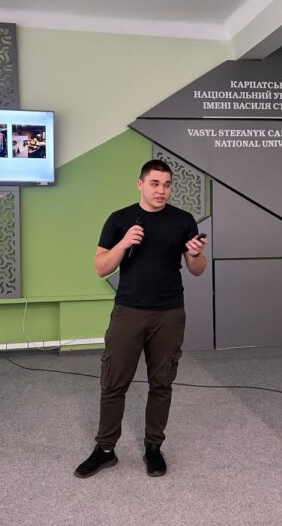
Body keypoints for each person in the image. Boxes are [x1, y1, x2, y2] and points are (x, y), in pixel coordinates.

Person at [74, 159, 207, 479]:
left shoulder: (183, 220)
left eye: (167, 185)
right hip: (129, 312)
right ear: (140, 184)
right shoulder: (119, 219)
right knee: (113, 383)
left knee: (162, 383)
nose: (161, 190)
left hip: (170, 313)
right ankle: (105, 450)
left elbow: (197, 270)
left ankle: (153, 447)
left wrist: (195, 253)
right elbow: (101, 267)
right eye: (155, 184)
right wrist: (123, 243)